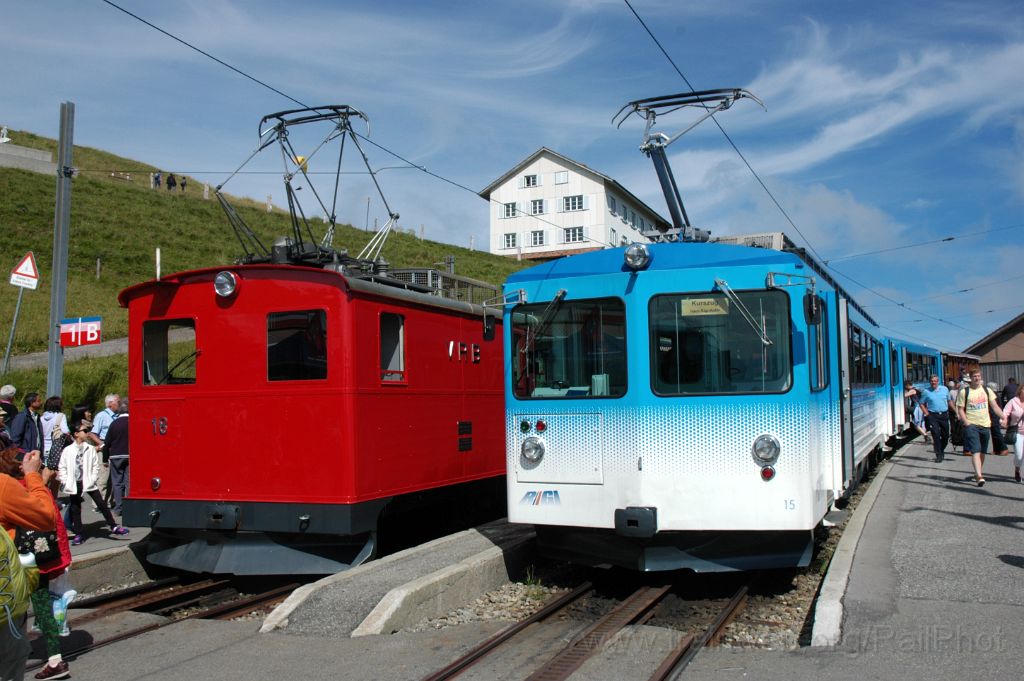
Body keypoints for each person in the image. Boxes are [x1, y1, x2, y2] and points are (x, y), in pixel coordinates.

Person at [0, 448, 73, 680]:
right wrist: (36, 478)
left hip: (26, 563)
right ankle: (55, 658)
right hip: (27, 567)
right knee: (39, 610)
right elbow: (47, 516)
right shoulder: (11, 487)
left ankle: (54, 658)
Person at [57, 421, 129, 545]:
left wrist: (93, 477)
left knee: (101, 504)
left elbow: (95, 465)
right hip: (74, 483)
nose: (87, 433)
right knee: (75, 508)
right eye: (84, 431)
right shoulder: (68, 450)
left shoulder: (89, 449)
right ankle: (78, 534)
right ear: (76, 434)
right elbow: (62, 466)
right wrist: (64, 479)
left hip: (88, 481)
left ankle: (113, 526)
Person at [956, 370, 1004, 487]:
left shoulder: (987, 391)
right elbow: (960, 408)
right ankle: (979, 476)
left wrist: (1004, 417)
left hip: (985, 425)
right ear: (970, 378)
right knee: (976, 451)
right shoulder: (964, 392)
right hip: (972, 425)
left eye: (978, 376)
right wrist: (966, 422)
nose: (977, 378)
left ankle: (978, 472)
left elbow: (994, 406)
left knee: (982, 452)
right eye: (974, 376)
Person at [89, 394, 120, 506]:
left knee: (113, 478)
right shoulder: (101, 416)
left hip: (115, 449)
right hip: (104, 450)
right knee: (103, 477)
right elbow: (92, 433)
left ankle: (109, 501)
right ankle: (98, 503)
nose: (120, 404)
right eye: (118, 401)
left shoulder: (119, 416)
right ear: (110, 403)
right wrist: (102, 444)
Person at [104, 399, 129, 515]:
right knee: (128, 481)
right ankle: (130, 506)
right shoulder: (132, 421)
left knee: (117, 482)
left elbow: (107, 442)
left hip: (115, 456)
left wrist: (105, 458)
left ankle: (118, 508)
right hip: (130, 455)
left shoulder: (114, 424)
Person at [919, 374, 951, 462]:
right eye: (932, 381)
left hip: (944, 414)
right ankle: (939, 455)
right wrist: (927, 414)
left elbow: (949, 401)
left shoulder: (945, 389)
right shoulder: (926, 392)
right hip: (932, 415)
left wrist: (956, 412)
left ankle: (941, 449)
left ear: (938, 381)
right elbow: (921, 403)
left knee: (945, 435)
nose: (934, 383)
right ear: (930, 382)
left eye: (935, 381)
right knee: (936, 434)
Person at [1000, 385, 1024, 484]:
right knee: (1019, 456)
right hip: (1017, 432)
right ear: (1020, 391)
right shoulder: (1013, 401)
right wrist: (1003, 420)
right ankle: (1017, 469)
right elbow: (1005, 413)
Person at [38, 397, 69, 468]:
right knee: (52, 471)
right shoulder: (60, 416)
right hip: (55, 449)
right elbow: (65, 431)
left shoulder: (41, 418)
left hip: (42, 448)